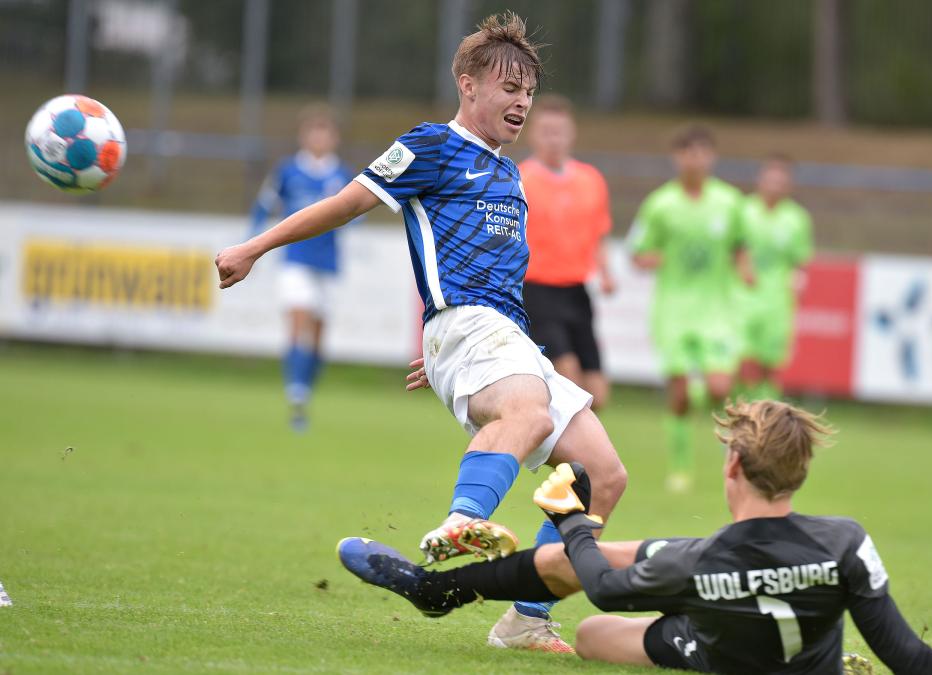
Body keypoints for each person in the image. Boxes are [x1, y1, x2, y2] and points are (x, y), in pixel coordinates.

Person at [215, 12, 627, 653]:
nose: (521, 102)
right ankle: (464, 518)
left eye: (529, 92)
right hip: (469, 328)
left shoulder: (507, 172)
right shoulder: (432, 146)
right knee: (529, 412)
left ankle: (525, 619)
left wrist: (449, 360)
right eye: (508, 88)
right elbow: (346, 202)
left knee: (601, 473)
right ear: (468, 85)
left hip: (498, 336)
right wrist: (256, 246)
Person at [335, 400, 932, 674]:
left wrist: (571, 514)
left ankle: (436, 587)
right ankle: (436, 590)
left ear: (733, 465)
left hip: (710, 641)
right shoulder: (846, 541)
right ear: (799, 471)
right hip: (775, 633)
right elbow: (905, 652)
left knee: (592, 629)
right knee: (629, 558)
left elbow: (601, 589)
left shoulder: (700, 560)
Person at [627, 126, 749, 492]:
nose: (696, 159)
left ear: (712, 157)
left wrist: (745, 268)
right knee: (678, 395)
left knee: (719, 387)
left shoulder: (730, 202)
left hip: (716, 310)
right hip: (674, 310)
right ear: (677, 157)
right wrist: (660, 258)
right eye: (688, 152)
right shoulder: (660, 204)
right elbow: (637, 253)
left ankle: (726, 447)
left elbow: (740, 246)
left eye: (702, 152)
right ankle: (680, 468)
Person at [248, 105, 356, 431]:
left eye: (325, 132)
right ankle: (295, 396)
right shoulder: (287, 171)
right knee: (298, 322)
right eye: (314, 131)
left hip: (328, 263)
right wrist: (250, 242)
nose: (320, 138)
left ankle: (305, 392)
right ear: (304, 136)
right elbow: (264, 205)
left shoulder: (343, 175)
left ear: (334, 138)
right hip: (294, 260)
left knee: (320, 337)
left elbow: (357, 211)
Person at [519, 94, 615, 410]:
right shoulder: (520, 179)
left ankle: (568, 443)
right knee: (569, 379)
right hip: (537, 290)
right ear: (533, 134)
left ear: (571, 134)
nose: (553, 139)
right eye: (546, 131)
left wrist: (606, 272)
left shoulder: (591, 180)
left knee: (597, 395)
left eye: (559, 131)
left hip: (576, 291)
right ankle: (565, 452)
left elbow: (598, 232)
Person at [734, 154, 814, 401]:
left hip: (777, 301)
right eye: (771, 179)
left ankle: (767, 426)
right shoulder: (741, 211)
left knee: (770, 368)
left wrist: (798, 279)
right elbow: (731, 250)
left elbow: (800, 261)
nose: (775, 185)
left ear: (789, 184)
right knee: (741, 364)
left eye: (781, 180)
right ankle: (739, 418)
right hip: (742, 298)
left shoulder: (797, 219)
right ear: (760, 179)